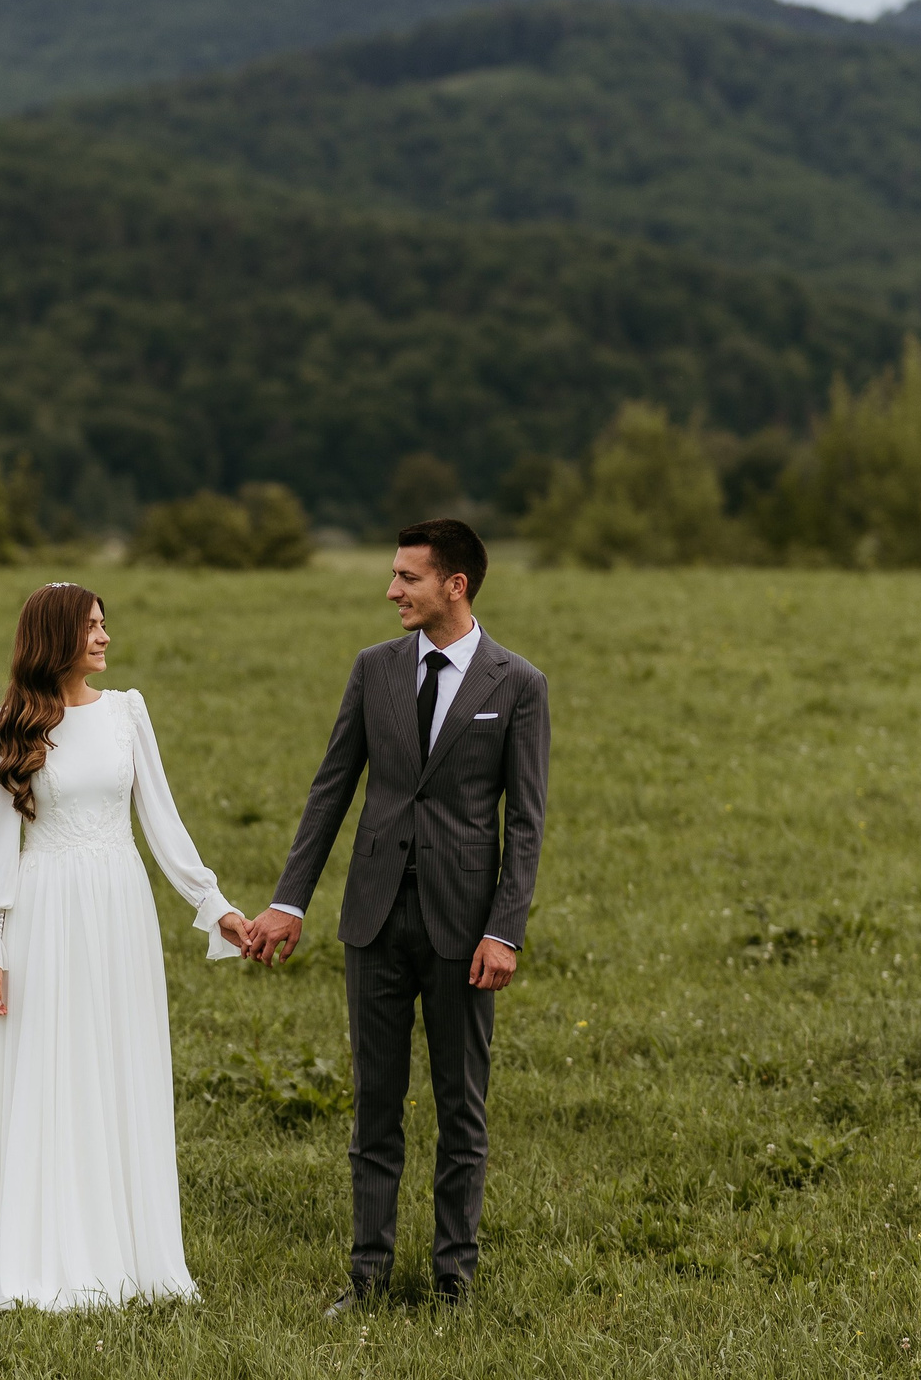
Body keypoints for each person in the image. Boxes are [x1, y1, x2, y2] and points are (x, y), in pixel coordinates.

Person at [242, 520, 550, 1312]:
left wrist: (505, 928)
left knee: (461, 1109)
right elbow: (332, 787)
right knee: (374, 1109)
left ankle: (454, 1281)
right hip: (372, 921)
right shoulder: (373, 668)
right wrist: (288, 899)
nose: (391, 590)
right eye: (393, 574)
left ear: (456, 585)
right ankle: (367, 1277)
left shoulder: (518, 683)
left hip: (465, 927)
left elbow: (526, 822)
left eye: (408, 577)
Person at [0, 581, 249, 1311]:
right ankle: (43, 1243)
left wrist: (215, 905)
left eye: (107, 624)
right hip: (45, 913)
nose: (106, 637)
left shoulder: (128, 713)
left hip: (120, 909)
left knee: (118, 1062)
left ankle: (132, 1249)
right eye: (91, 627)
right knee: (50, 1065)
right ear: (56, 637)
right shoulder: (6, 725)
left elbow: (163, 823)